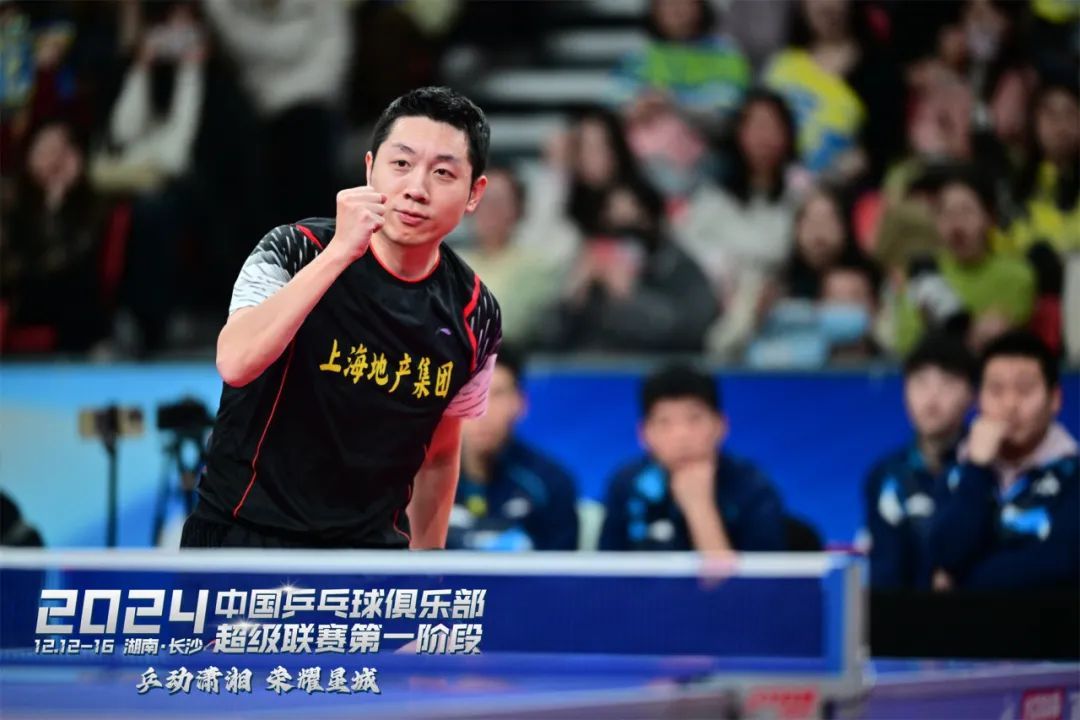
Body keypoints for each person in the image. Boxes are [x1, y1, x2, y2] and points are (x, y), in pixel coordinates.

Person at [181, 87, 501, 550]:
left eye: (443, 173)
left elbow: (439, 453)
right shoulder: (292, 250)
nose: (417, 189)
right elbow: (236, 362)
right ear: (369, 169)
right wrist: (339, 254)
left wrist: (427, 572)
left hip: (370, 555)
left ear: (474, 194)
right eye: (401, 163)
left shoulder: (477, 313)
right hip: (245, 538)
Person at [929, 331, 1078, 590]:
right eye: (996, 390)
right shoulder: (958, 470)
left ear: (1055, 399)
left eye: (1025, 390)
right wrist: (977, 468)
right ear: (978, 399)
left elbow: (1062, 565)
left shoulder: (1073, 474)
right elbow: (942, 557)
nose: (1010, 404)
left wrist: (963, 580)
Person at [599, 365, 786, 551]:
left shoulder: (752, 488)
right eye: (665, 422)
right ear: (644, 434)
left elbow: (764, 570)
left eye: (694, 418)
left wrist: (699, 506)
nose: (682, 435)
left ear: (720, 426)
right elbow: (605, 567)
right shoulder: (626, 485)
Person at [864, 334, 976, 590]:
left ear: (972, 395)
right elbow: (885, 570)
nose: (932, 399)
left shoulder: (986, 470)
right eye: (921, 382)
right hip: (904, 610)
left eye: (947, 384)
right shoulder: (886, 475)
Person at [449, 345, 579, 551]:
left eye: (497, 394)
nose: (483, 412)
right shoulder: (417, 485)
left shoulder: (550, 485)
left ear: (520, 403)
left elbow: (561, 570)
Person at [895, 168, 1035, 354]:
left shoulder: (1017, 274)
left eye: (966, 211)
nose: (956, 225)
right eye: (946, 213)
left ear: (989, 217)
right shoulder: (923, 272)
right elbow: (905, 343)